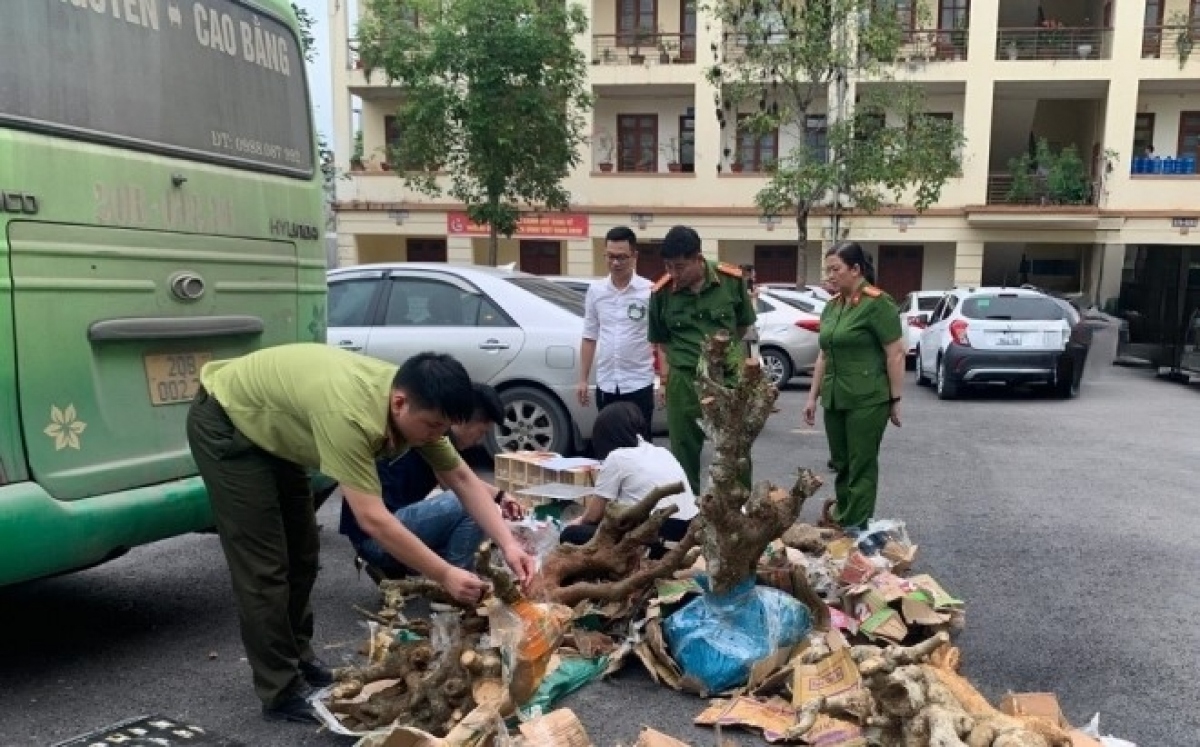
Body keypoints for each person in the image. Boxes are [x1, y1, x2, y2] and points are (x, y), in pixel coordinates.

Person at [186, 344, 535, 724]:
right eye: (433, 426)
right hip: (229, 424)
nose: (437, 435)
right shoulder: (351, 417)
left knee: (303, 554)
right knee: (265, 567)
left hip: (274, 430)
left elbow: (463, 479)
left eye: (443, 428)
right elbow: (373, 519)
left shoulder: (417, 407)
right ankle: (280, 689)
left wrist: (508, 543)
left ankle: (299, 658)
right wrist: (445, 573)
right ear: (399, 403)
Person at [339, 383, 525, 581]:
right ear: (461, 420)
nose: (479, 440)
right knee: (471, 508)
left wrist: (500, 496)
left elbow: (464, 481)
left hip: (384, 529)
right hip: (375, 537)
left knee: (476, 512)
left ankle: (412, 571)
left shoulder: (429, 432)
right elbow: (460, 488)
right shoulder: (430, 437)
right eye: (481, 432)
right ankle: (460, 582)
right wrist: (498, 501)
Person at [802, 243, 905, 532]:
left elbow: (895, 353)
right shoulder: (832, 306)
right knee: (841, 463)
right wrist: (812, 397)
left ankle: (856, 528)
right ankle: (843, 517)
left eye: (836, 269)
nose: (830, 276)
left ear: (856, 269)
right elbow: (824, 355)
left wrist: (895, 399)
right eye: (827, 270)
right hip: (835, 397)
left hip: (867, 398)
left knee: (861, 464)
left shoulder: (877, 303)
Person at [648, 225, 756, 493]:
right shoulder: (661, 293)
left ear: (698, 259)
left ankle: (738, 509)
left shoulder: (731, 281)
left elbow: (742, 326)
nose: (674, 274)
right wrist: (668, 376)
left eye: (680, 267)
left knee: (735, 450)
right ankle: (690, 511)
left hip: (726, 378)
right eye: (668, 267)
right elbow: (661, 340)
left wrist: (724, 357)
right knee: (683, 452)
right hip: (685, 380)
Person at [560, 402, 696, 555]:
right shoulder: (662, 452)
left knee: (571, 535)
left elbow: (592, 517)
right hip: (687, 532)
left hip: (657, 537)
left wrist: (574, 523)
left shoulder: (617, 457)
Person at [576, 226, 656, 439]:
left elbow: (661, 339)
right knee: (609, 444)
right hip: (607, 384)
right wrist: (583, 379)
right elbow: (589, 336)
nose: (615, 263)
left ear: (634, 256)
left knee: (640, 446)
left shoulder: (649, 292)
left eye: (621, 257)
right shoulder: (596, 291)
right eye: (610, 256)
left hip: (638, 383)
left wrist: (664, 381)